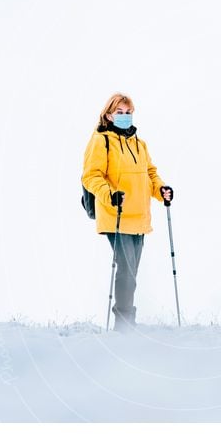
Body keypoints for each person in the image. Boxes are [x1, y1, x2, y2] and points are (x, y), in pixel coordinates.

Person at [81, 93, 173, 332]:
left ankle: (126, 323)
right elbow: (91, 176)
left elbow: (150, 173)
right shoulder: (101, 140)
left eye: (128, 112)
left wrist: (161, 189)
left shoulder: (139, 143)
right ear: (109, 115)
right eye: (119, 113)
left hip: (139, 216)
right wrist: (109, 194)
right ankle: (124, 325)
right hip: (116, 215)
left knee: (132, 272)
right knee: (126, 270)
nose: (124, 117)